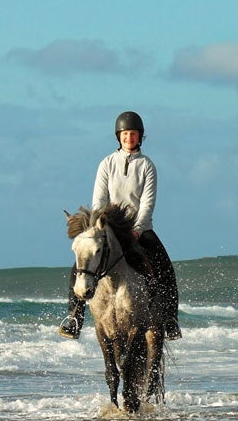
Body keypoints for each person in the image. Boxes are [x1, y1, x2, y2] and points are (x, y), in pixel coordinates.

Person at [58, 111, 182, 340]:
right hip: (109, 227)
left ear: (140, 137)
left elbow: (147, 202)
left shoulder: (147, 165)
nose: (129, 138)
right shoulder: (106, 163)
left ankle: (170, 319)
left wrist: (138, 228)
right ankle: (74, 318)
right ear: (119, 136)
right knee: (80, 267)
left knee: (165, 267)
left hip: (138, 228)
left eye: (133, 134)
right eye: (125, 134)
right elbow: (99, 201)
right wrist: (100, 226)